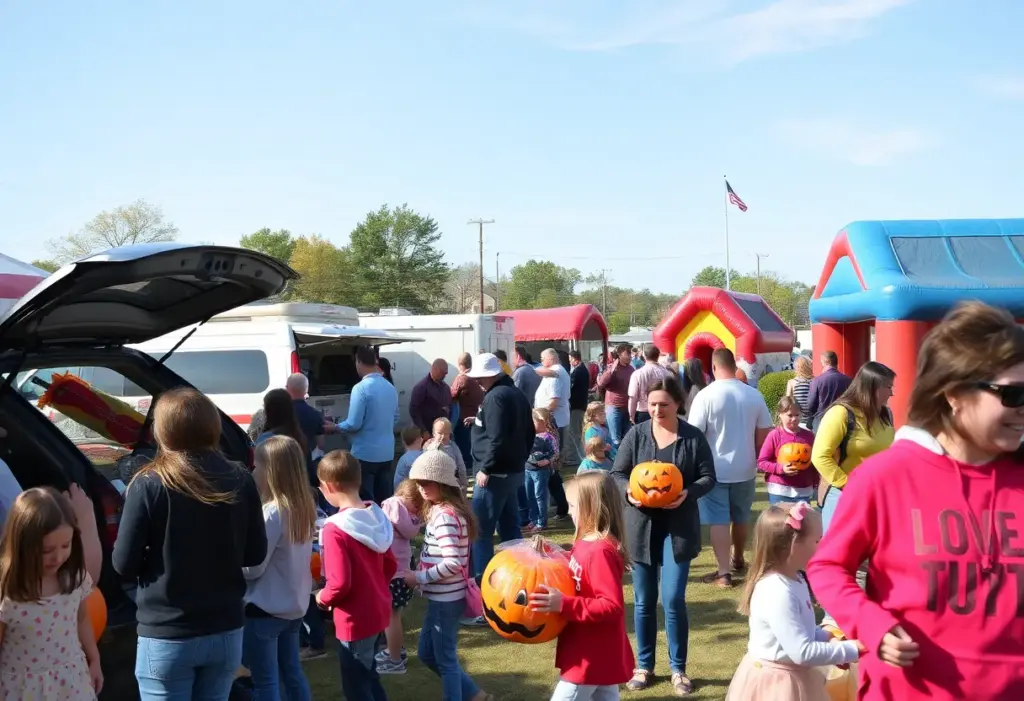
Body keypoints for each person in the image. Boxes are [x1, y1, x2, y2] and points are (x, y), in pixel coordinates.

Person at [808, 301, 1024, 700]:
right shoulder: (883, 478)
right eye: (1013, 394)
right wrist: (871, 623)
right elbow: (827, 566)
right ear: (954, 394)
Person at [113, 388, 267, 700]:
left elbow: (123, 563)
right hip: (224, 628)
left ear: (163, 430)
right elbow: (255, 552)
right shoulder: (239, 477)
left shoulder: (148, 483)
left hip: (168, 630)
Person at [611, 375, 716, 696]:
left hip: (678, 528)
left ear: (677, 404)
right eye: (652, 404)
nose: (657, 410)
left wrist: (689, 492)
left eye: (664, 405)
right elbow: (617, 473)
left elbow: (708, 476)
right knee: (643, 602)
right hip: (641, 526)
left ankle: (678, 670)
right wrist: (629, 492)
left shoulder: (692, 437)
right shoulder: (636, 435)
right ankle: (644, 667)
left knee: (672, 599)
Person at [726, 503, 862, 701]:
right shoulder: (777, 590)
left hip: (794, 676)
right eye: (818, 540)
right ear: (794, 543)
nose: (824, 546)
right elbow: (802, 651)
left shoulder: (796, 579)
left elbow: (803, 628)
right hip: (776, 687)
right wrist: (851, 650)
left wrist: (828, 637)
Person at [529, 472, 634, 701]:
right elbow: (579, 568)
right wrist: (555, 553)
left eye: (573, 506)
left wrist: (563, 604)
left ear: (591, 508)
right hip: (588, 647)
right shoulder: (587, 544)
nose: (568, 512)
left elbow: (611, 605)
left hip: (591, 653)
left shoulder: (600, 551)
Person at [405, 449, 494, 701]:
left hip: (447, 599)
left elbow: (452, 562)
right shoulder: (442, 510)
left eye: (427, 482)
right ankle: (475, 694)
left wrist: (418, 577)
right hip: (442, 597)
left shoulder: (444, 516)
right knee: (427, 653)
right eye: (418, 482)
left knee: (445, 660)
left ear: (443, 482)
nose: (421, 487)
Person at [0, 488, 103, 699]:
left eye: (66, 545)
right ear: (22, 545)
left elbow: (81, 619)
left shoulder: (75, 579)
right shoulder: (8, 591)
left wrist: (94, 659)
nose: (58, 556)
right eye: (47, 550)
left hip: (70, 682)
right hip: (23, 687)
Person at [687, 348, 773, 588]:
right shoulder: (753, 395)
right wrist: (755, 455)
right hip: (745, 466)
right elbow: (764, 433)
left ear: (713, 367)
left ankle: (723, 572)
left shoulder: (705, 396)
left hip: (713, 468)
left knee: (718, 520)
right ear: (734, 365)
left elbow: (695, 436)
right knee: (742, 516)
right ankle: (737, 558)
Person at [314, 450, 396, 701]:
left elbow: (339, 583)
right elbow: (390, 564)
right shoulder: (376, 515)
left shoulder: (335, 529)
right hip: (378, 608)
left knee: (357, 686)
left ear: (327, 487)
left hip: (354, 619)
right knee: (369, 676)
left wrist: (322, 598)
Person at [242, 436, 317, 701]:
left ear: (271, 472)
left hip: (265, 609)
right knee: (291, 672)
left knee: (265, 681)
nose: (253, 471)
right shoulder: (304, 506)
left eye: (257, 466)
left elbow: (254, 567)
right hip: (293, 606)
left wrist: (230, 563)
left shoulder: (273, 513)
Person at [468, 353, 535, 579]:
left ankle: (482, 579)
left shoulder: (495, 397)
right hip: (512, 471)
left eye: (481, 377)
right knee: (510, 529)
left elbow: (497, 438)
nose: (478, 381)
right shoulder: (515, 393)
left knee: (481, 532)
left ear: (493, 375)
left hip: (495, 473)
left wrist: (486, 468)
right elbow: (528, 432)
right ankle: (515, 576)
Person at [811, 361, 896, 532]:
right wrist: (848, 485)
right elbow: (819, 456)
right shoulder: (840, 413)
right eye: (888, 387)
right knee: (842, 555)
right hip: (843, 498)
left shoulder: (886, 414)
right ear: (873, 388)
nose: (892, 393)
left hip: (877, 498)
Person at [325, 346, 401, 504]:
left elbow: (353, 423)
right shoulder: (390, 387)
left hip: (365, 453)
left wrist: (335, 427)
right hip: (387, 452)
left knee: (364, 501)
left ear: (358, 362)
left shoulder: (360, 389)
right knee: (384, 500)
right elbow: (395, 418)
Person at [376, 480, 424, 675]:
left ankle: (394, 659)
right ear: (409, 497)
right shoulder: (395, 504)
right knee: (394, 614)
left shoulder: (395, 505)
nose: (417, 511)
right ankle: (394, 649)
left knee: (391, 616)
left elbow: (406, 529)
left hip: (394, 572)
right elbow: (410, 529)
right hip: (400, 569)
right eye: (416, 506)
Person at [757, 397, 818, 505]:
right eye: (790, 415)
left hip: (803, 490)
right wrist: (781, 468)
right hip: (780, 490)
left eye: (797, 415)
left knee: (802, 521)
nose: (794, 419)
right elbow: (762, 462)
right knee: (780, 521)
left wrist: (816, 482)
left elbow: (814, 462)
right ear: (780, 414)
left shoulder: (808, 436)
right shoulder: (775, 435)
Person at [534, 348, 571, 520]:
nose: (541, 361)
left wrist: (539, 416)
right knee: (551, 467)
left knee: (551, 467)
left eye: (542, 358)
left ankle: (560, 506)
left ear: (551, 358)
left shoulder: (555, 374)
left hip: (553, 424)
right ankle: (558, 504)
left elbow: (554, 402)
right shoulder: (554, 373)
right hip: (554, 423)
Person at [524, 408, 559, 533]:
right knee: (530, 495)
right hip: (528, 469)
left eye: (537, 422)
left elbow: (555, 453)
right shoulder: (530, 435)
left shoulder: (548, 437)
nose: (534, 425)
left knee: (540, 495)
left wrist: (547, 461)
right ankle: (533, 519)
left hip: (541, 471)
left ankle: (542, 522)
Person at [450, 353, 484, 470]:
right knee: (472, 445)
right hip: (476, 416)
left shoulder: (462, 378)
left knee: (462, 446)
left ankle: (465, 469)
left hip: (463, 418)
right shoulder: (477, 377)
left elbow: (452, 395)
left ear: (460, 365)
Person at [596, 343, 634, 448]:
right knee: (615, 439)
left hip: (627, 407)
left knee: (626, 437)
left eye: (630, 354)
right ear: (620, 354)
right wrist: (611, 371)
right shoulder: (611, 368)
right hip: (614, 407)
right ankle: (615, 462)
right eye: (628, 354)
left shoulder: (631, 369)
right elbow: (601, 383)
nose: (630, 356)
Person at [804, 350, 852, 431]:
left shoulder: (817, 380)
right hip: (842, 419)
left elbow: (810, 404)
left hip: (821, 419)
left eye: (821, 361)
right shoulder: (848, 380)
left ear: (825, 362)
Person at [285, 373, 327, 459]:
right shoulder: (315, 414)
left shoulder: (281, 412)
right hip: (306, 462)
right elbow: (321, 445)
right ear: (306, 390)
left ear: (287, 388)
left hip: (286, 462)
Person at [628, 344, 670, 425]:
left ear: (644, 355)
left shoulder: (638, 374)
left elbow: (633, 397)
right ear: (658, 356)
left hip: (643, 412)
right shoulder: (667, 373)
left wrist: (631, 416)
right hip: (663, 410)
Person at [409, 359, 452, 436]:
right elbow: (414, 410)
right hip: (427, 432)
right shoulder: (421, 387)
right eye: (442, 372)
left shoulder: (445, 388)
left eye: (445, 373)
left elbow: (449, 406)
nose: (444, 376)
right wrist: (423, 430)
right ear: (434, 369)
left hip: (442, 432)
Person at [424, 417, 469, 491]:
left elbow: (460, 464)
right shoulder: (429, 446)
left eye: (446, 433)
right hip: (434, 480)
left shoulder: (453, 447)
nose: (443, 436)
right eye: (440, 433)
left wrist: (463, 481)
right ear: (433, 434)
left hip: (451, 479)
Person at [566, 350, 591, 469]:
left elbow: (571, 388)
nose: (569, 361)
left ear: (575, 358)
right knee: (576, 431)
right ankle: (575, 456)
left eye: (570, 358)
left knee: (575, 432)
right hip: (581, 405)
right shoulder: (583, 369)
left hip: (576, 406)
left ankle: (580, 457)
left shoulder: (578, 372)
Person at [785, 356, 814, 428]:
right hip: (813, 420)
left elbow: (788, 402)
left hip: (798, 420)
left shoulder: (792, 382)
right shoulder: (815, 381)